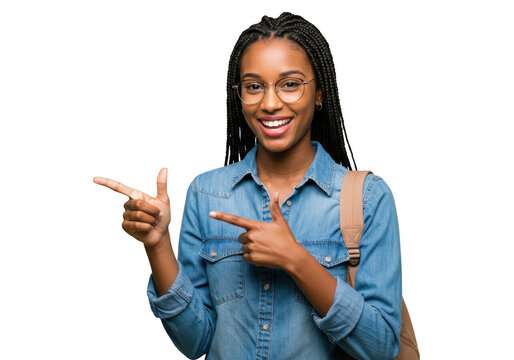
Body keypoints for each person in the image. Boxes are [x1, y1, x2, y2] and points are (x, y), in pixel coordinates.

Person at [93, 12, 402, 360]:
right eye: (254, 86)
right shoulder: (206, 193)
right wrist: (157, 245)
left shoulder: (367, 199)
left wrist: (296, 260)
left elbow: (382, 348)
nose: (270, 103)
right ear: (239, 95)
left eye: (290, 83)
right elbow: (196, 342)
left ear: (319, 93)